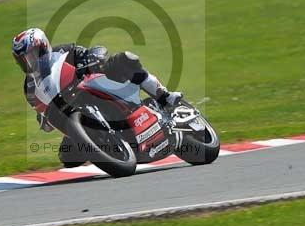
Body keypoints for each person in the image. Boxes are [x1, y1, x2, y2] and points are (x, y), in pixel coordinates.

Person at [12, 28, 182, 167]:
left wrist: (92, 57)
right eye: (23, 59)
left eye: (32, 55)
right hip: (70, 109)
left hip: (92, 85)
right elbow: (41, 110)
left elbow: (88, 52)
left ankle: (164, 96)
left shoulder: (62, 51)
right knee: (68, 158)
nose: (29, 62)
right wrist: (44, 119)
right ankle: (109, 144)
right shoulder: (30, 87)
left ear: (43, 47)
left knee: (124, 59)